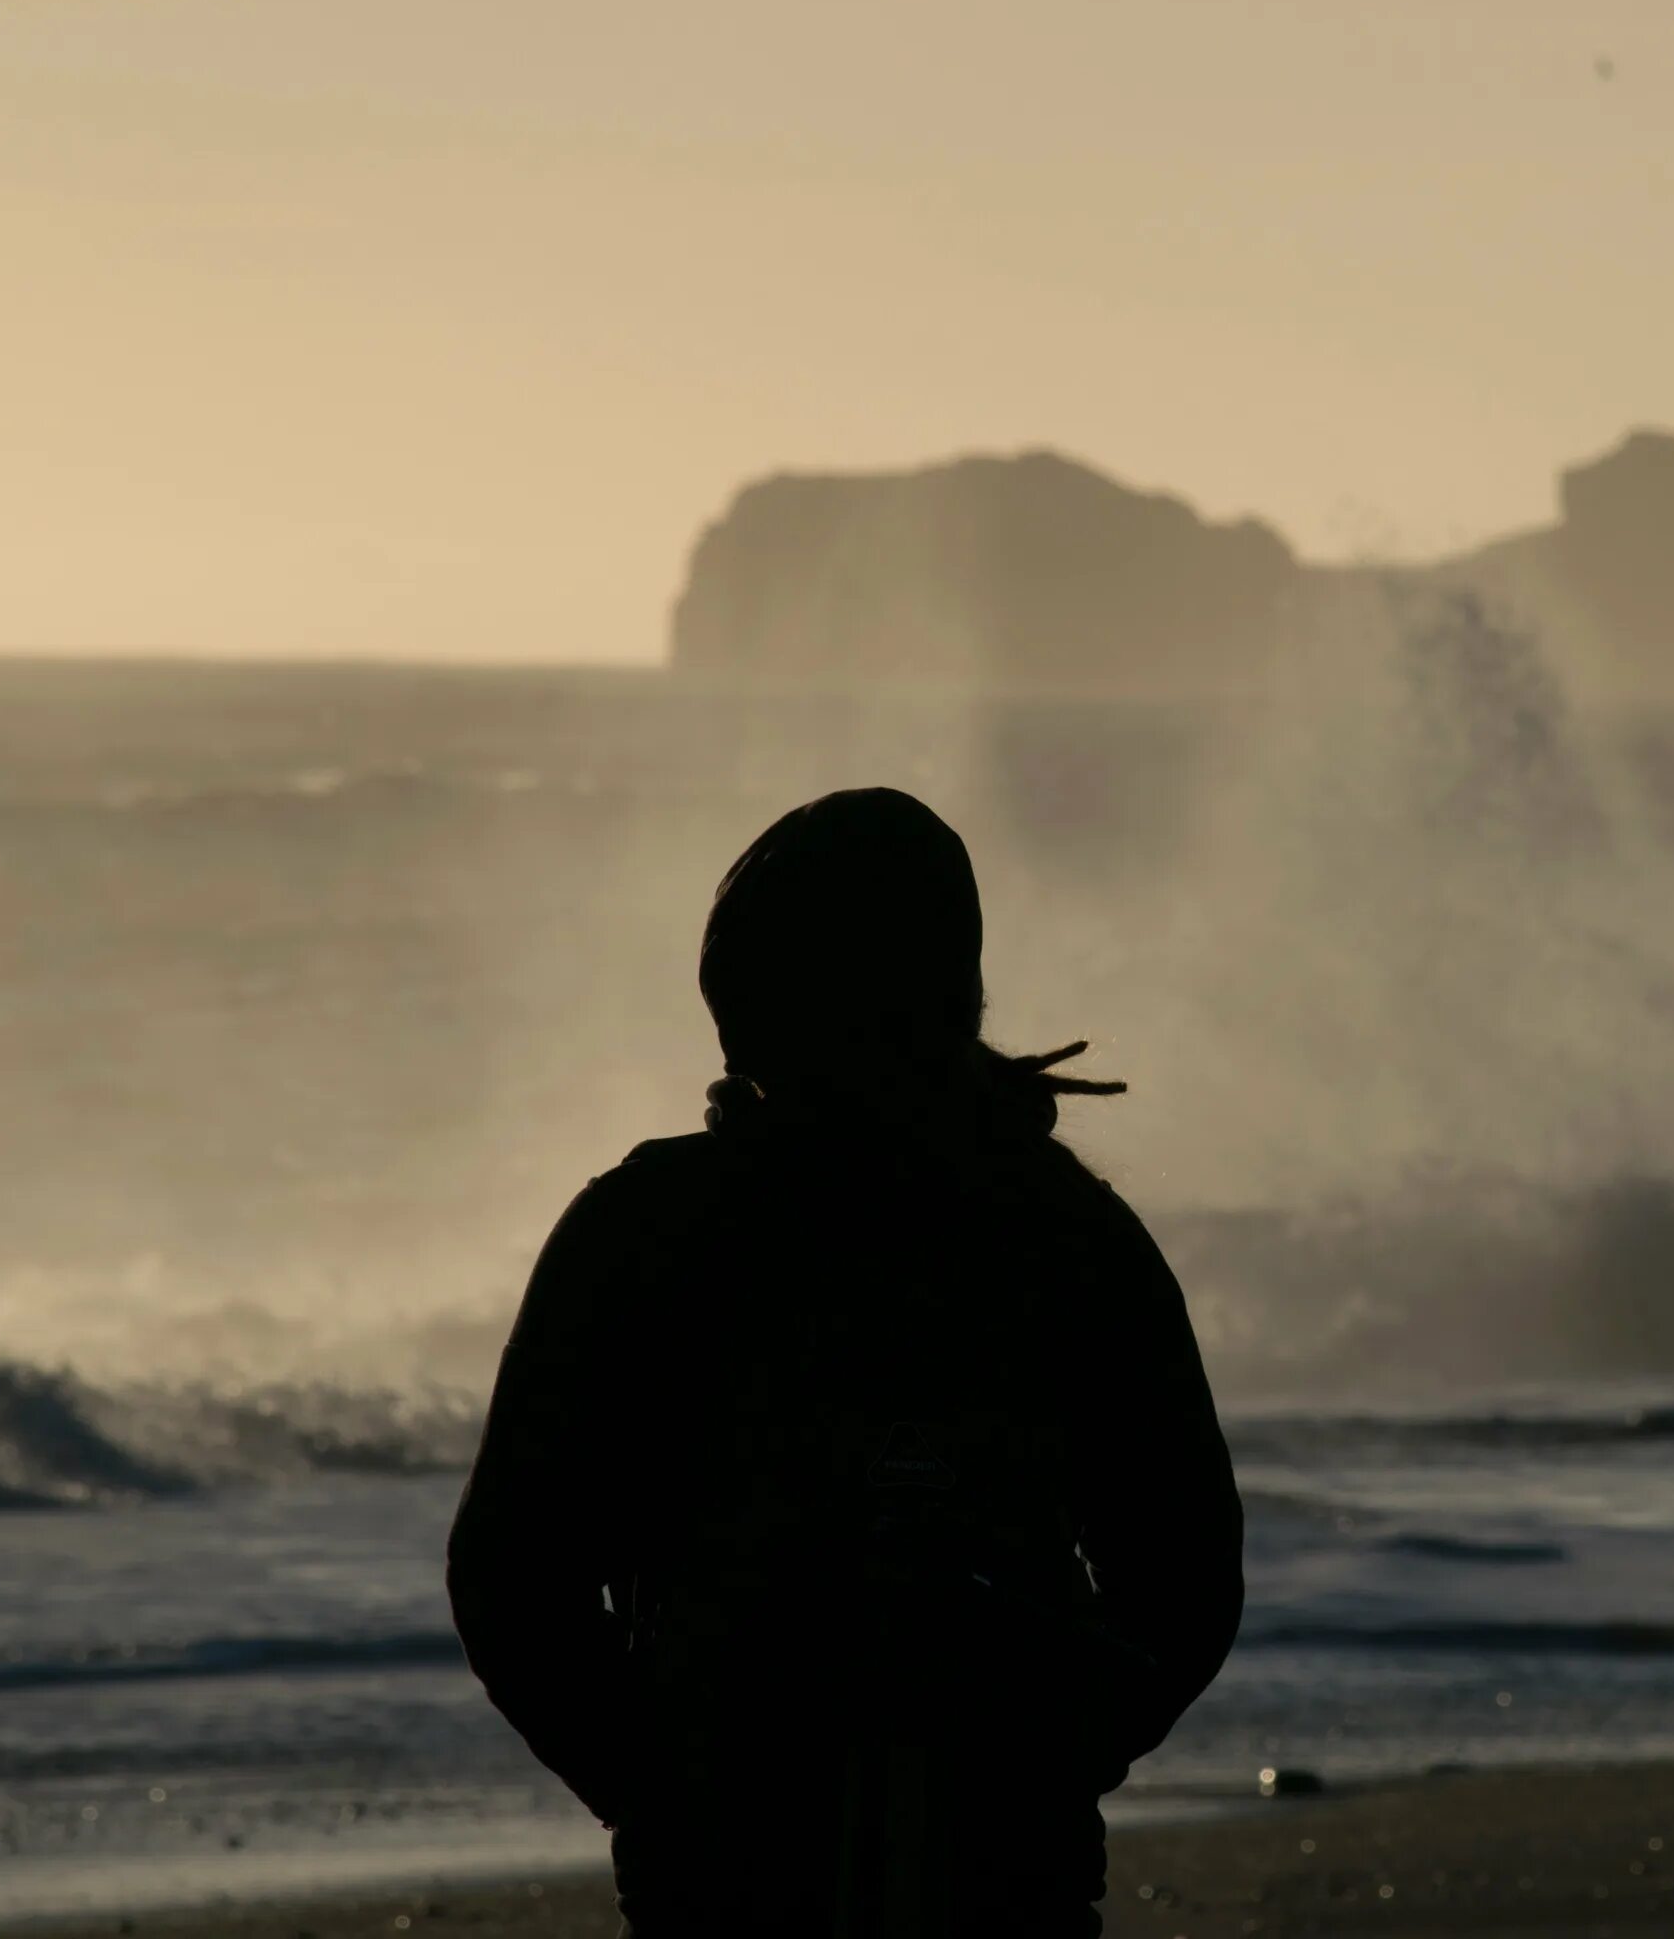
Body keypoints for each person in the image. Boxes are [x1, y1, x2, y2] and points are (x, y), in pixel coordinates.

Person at [447, 787, 1244, 1936]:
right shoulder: (653, 1231)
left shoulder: (1056, 1235)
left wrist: (1048, 1748)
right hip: (736, 1865)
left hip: (981, 1864)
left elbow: (1182, 1571)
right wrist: (655, 1782)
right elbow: (512, 1573)